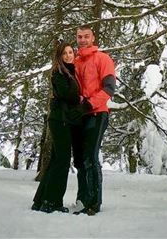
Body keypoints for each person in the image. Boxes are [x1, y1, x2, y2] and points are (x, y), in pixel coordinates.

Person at [32, 42, 84, 213]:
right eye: (65, 53)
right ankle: (52, 202)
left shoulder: (70, 71)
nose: (69, 55)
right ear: (59, 56)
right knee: (62, 161)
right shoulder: (59, 72)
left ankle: (40, 201)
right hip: (60, 120)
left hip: (63, 120)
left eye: (71, 52)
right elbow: (65, 94)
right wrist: (80, 98)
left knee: (56, 160)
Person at [72, 25, 116, 216]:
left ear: (93, 37)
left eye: (86, 36)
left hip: (97, 113)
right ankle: (82, 199)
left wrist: (89, 104)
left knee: (90, 157)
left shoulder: (103, 58)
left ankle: (94, 202)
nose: (82, 40)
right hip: (79, 116)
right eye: (79, 36)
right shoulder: (74, 62)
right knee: (80, 161)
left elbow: (109, 89)